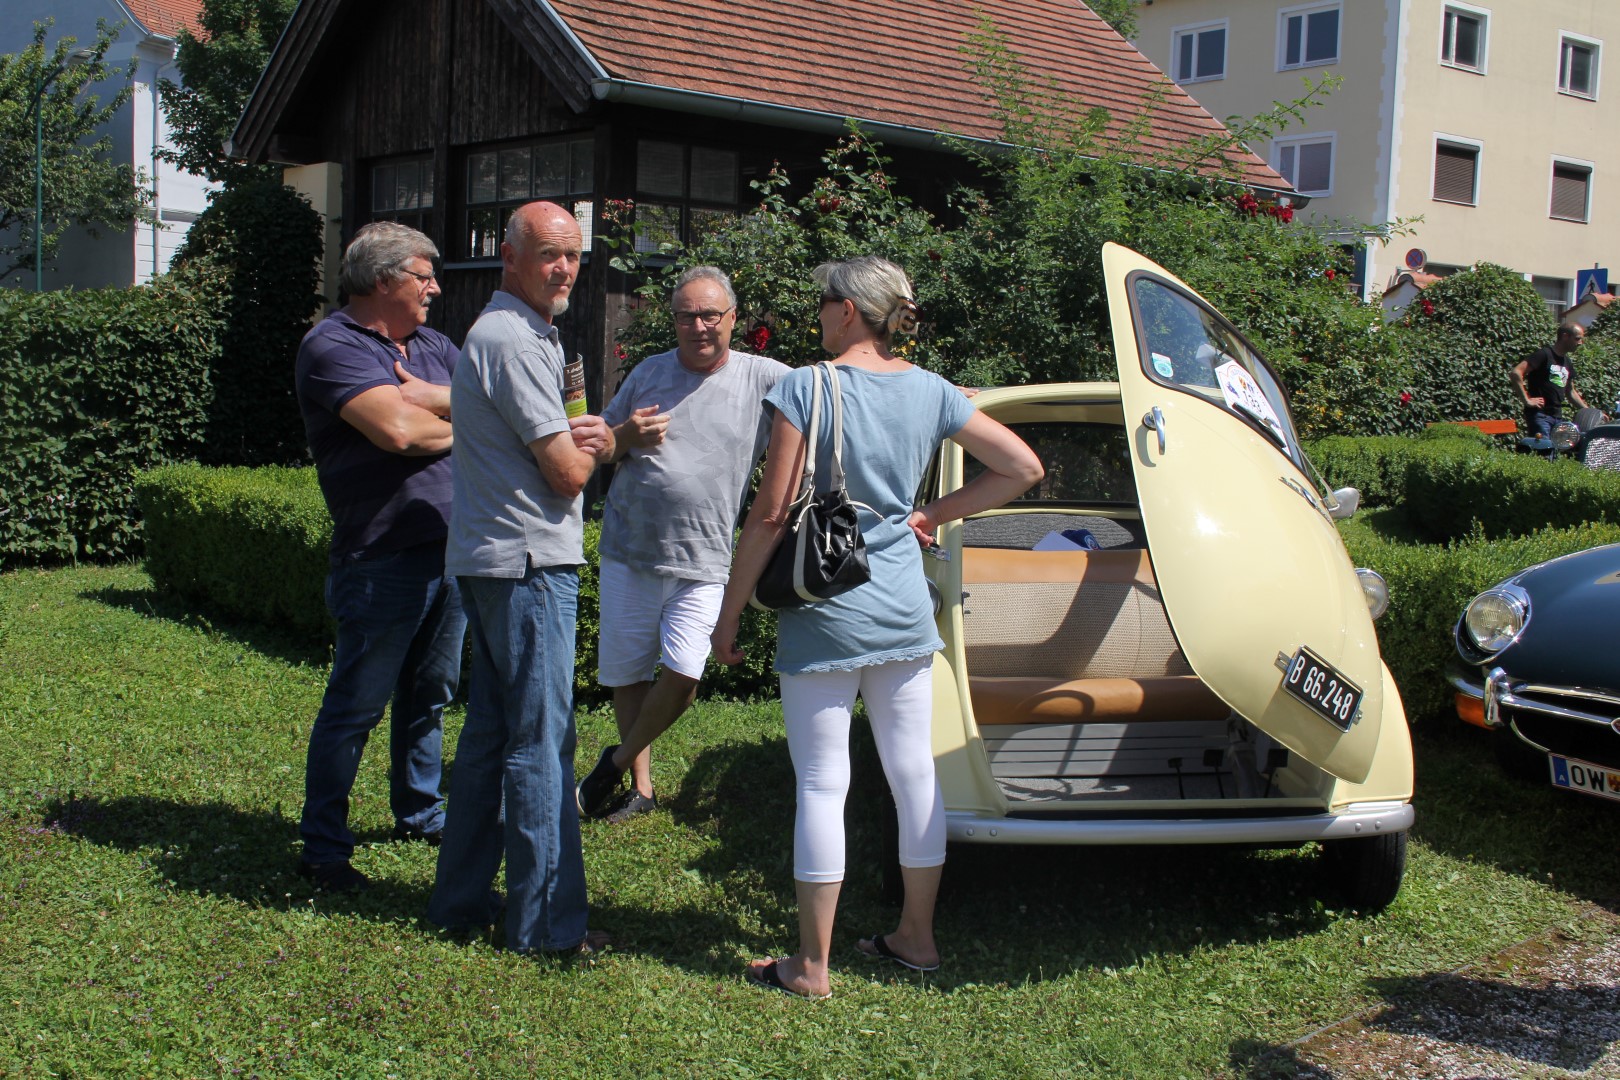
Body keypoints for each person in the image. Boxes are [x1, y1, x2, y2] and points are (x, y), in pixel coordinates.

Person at [710, 256, 1044, 999]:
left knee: (824, 784)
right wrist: (928, 515)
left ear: (850, 311)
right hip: (899, 605)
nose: (818, 312)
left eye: (824, 301)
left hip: (826, 610)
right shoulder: (931, 390)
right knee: (913, 774)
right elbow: (1022, 465)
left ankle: (813, 965)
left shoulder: (805, 384)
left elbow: (771, 513)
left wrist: (728, 614)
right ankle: (917, 940)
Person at [426, 201, 616, 954]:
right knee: (543, 742)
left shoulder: (523, 334)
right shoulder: (511, 338)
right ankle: (546, 928)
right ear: (508, 256)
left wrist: (584, 439)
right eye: (548, 254)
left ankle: (461, 902)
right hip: (530, 562)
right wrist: (603, 443)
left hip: (495, 557)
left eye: (572, 255)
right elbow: (569, 473)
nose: (563, 268)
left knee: (491, 735)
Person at [575, 266, 788, 824]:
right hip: (630, 549)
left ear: (733, 318)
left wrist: (925, 386)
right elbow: (600, 448)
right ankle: (640, 789)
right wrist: (625, 437)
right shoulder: (648, 372)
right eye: (686, 316)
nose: (698, 326)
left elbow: (841, 388)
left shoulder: (765, 377)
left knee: (686, 675)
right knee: (628, 675)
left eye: (710, 315)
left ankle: (613, 764)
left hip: (706, 557)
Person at [292, 221, 465, 892]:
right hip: (381, 555)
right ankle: (325, 848)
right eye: (424, 276)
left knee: (431, 694)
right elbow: (397, 430)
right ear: (384, 279)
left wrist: (446, 411)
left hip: (451, 550)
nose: (435, 288)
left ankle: (420, 812)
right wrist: (457, 418)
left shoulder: (435, 346)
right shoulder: (331, 344)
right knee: (356, 706)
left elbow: (493, 409)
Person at [1512, 321, 1591, 438]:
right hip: (1540, 415)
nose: (1580, 343)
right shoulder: (1544, 355)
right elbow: (1516, 372)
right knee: (1544, 452)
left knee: (1554, 453)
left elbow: (1570, 391)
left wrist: (1590, 412)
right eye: (1577, 338)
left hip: (1557, 417)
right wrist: (1527, 400)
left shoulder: (1567, 361)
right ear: (1565, 336)